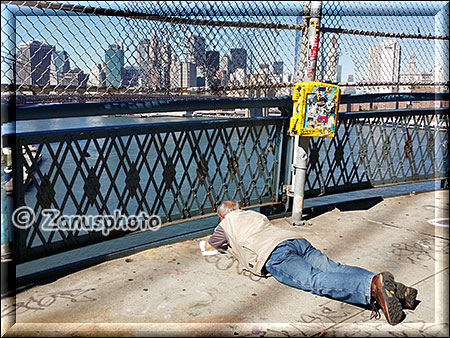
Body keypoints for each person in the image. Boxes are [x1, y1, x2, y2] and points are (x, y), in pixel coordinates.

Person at [203, 200, 418, 325]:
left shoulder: (225, 225)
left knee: (314, 280)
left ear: (222, 217)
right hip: (294, 240)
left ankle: (372, 288)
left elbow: (211, 247)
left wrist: (209, 243)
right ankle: (389, 287)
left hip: (274, 254)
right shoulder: (253, 214)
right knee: (334, 267)